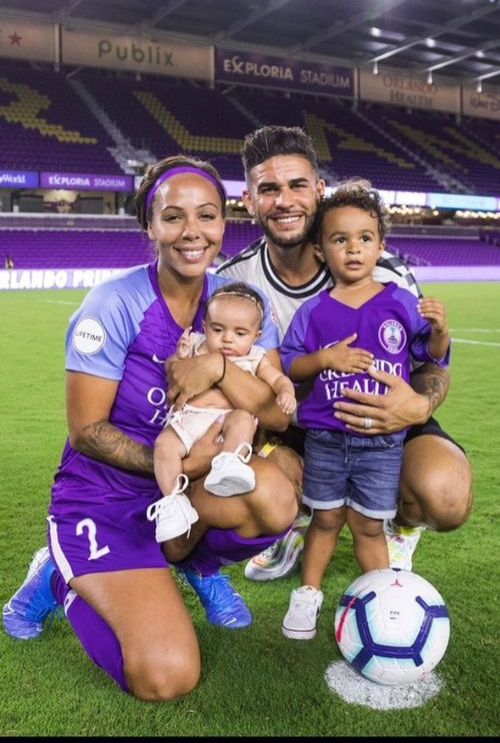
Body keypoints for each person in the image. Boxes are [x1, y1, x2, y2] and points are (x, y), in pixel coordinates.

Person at [2, 155, 298, 702]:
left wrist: (216, 367)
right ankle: (57, 576)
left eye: (207, 216)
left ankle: (194, 562)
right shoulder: (114, 303)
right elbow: (87, 430)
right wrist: (182, 468)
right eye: (173, 217)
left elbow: (279, 415)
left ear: (223, 224)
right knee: (166, 676)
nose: (193, 232)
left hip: (184, 492)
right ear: (150, 225)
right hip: (105, 499)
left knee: (278, 494)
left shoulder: (237, 305)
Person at [216, 125, 472, 578]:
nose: (285, 200)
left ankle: (397, 528)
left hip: (384, 412)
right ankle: (293, 522)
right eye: (268, 189)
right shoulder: (235, 282)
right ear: (251, 201)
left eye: (297, 185)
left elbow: (430, 362)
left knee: (446, 495)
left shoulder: (386, 273)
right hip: (294, 425)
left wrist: (417, 404)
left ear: (318, 189)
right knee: (248, 458)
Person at [279, 179, 451, 639]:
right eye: (339, 239)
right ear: (320, 252)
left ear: (380, 246)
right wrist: (325, 360)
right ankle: (308, 595)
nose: (353, 249)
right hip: (327, 440)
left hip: (382, 443)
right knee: (326, 519)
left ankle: (383, 600)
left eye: (364, 239)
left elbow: (431, 358)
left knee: (369, 527)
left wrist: (439, 332)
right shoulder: (313, 312)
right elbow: (290, 365)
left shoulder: (400, 303)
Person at [151, 281, 296, 541]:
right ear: (204, 327)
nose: (228, 339)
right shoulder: (197, 345)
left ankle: (229, 463)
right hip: (189, 419)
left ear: (257, 335)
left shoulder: (255, 357)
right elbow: (174, 371)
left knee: (243, 418)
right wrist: (180, 356)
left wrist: (287, 392)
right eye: (218, 330)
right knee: (164, 445)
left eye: (240, 333)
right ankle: (172, 502)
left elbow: (277, 380)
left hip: (225, 421)